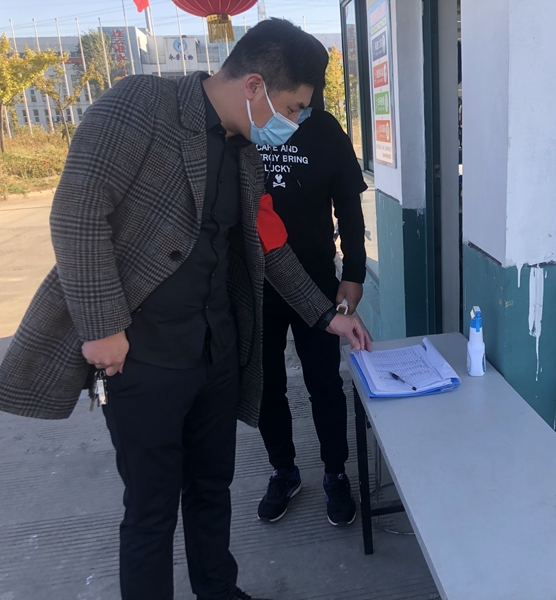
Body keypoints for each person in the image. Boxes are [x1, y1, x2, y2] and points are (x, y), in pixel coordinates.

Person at [0, 18, 370, 600]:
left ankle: (218, 591)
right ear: (254, 86)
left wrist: (326, 315)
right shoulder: (140, 105)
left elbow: (268, 248)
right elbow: (76, 214)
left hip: (215, 353)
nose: (295, 122)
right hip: (142, 357)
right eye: (293, 108)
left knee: (211, 488)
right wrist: (101, 328)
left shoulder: (245, 153)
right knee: (151, 509)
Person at [255, 71, 367, 526]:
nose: (295, 111)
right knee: (266, 386)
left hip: (316, 282)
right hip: (256, 284)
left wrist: (354, 273)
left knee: (324, 383)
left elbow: (350, 206)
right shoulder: (246, 129)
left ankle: (335, 472)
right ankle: (283, 470)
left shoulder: (325, 130)